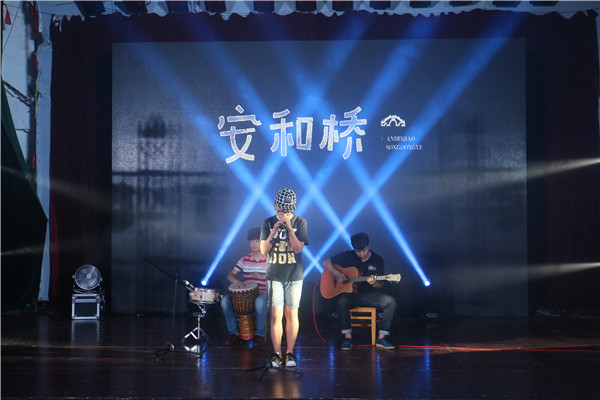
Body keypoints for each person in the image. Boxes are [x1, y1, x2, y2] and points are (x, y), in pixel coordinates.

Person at [322, 232, 396, 350]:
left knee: (390, 302)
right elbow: (326, 262)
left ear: (369, 245)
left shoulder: (377, 260)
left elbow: (381, 285)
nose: (362, 253)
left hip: (370, 296)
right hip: (352, 295)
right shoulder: (348, 255)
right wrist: (337, 274)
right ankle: (348, 338)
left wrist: (374, 283)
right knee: (342, 300)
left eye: (364, 250)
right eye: (358, 251)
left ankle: (381, 338)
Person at [260, 188, 309, 368]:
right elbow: (264, 250)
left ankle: (289, 352)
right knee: (276, 315)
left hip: (294, 276)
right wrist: (274, 230)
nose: (284, 214)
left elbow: (298, 249)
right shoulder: (267, 222)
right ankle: (276, 354)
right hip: (274, 276)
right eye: (281, 211)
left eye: (288, 211)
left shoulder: (300, 222)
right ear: (275, 207)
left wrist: (289, 227)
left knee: (292, 314)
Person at [221, 227, 267, 346]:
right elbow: (230, 275)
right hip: (247, 295)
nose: (254, 244)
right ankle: (233, 333)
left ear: (263, 242)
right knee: (225, 301)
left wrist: (262, 276)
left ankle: (260, 334)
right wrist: (238, 282)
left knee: (260, 302)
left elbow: (277, 276)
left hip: (264, 293)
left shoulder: (270, 258)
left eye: (257, 241)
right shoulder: (245, 259)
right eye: (251, 241)